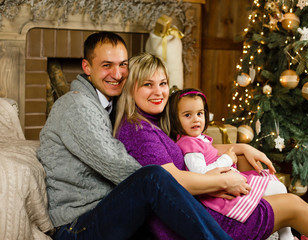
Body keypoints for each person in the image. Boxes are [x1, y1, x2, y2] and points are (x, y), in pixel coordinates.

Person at [114, 52, 308, 240]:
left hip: (196, 205)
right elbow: (170, 181)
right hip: (191, 222)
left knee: (256, 173)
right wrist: (224, 181)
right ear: (131, 87)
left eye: (163, 83)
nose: (159, 92)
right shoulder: (138, 130)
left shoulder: (151, 119)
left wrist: (240, 148)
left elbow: (188, 147)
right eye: (148, 84)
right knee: (292, 205)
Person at [36, 31, 236, 240]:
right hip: (77, 227)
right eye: (107, 65)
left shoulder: (108, 105)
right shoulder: (77, 106)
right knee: (153, 177)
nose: (118, 74)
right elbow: (121, 168)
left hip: (110, 214)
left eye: (123, 65)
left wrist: (232, 153)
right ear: (87, 67)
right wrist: (200, 181)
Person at [167, 88, 295, 240]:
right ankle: (286, 235)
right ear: (175, 119)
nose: (196, 119)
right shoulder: (189, 144)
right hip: (220, 190)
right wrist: (226, 159)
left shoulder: (197, 139)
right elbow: (201, 175)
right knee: (278, 188)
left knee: (275, 187)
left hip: (229, 179)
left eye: (200, 113)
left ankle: (286, 233)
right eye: (188, 115)